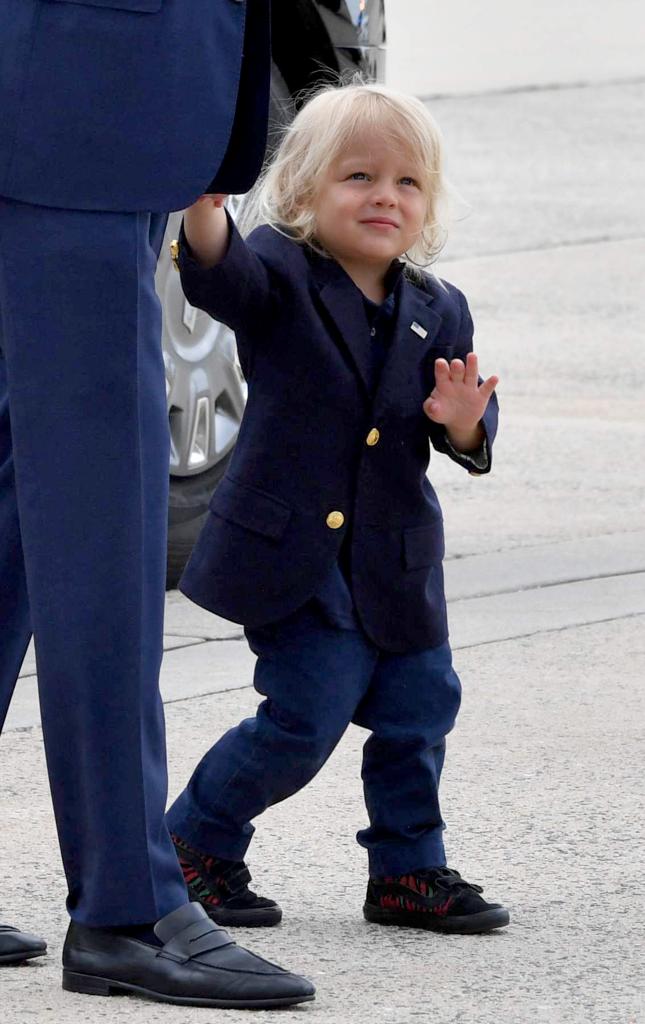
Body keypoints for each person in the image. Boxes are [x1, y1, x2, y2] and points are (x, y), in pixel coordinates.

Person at [0, 0, 314, 1009]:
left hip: (80, 92)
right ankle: (129, 906)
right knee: (101, 506)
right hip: (71, 95)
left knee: (20, 493)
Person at [165, 81, 510, 935]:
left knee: (419, 709)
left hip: (394, 562)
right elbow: (223, 281)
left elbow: (468, 420)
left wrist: (464, 422)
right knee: (305, 715)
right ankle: (192, 844)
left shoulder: (436, 306)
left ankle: (407, 871)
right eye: (357, 176)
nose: (383, 196)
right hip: (294, 560)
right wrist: (206, 213)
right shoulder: (282, 272)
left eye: (405, 183)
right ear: (302, 193)